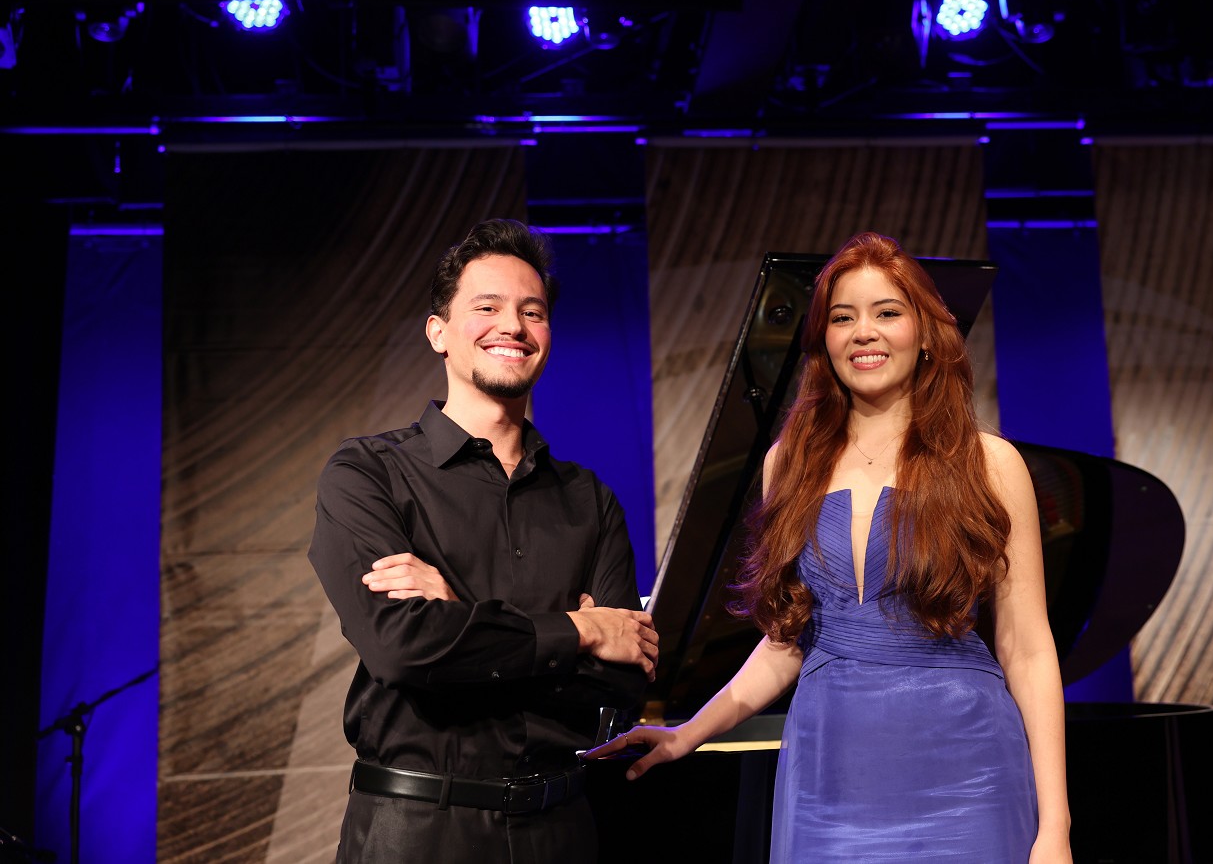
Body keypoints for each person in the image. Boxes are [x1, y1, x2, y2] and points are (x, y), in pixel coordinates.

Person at [589, 231, 1072, 862]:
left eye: (887, 313)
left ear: (926, 333)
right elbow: (789, 640)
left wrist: (1056, 825)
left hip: (969, 772)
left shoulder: (990, 464)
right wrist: (689, 733)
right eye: (843, 318)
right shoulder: (787, 465)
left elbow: (1027, 648)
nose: (863, 332)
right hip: (828, 777)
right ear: (823, 341)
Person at [307, 218, 659, 864]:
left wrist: (456, 615)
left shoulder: (590, 498)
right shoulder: (366, 473)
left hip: (562, 828)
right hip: (417, 829)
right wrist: (579, 631)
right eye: (487, 307)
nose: (513, 326)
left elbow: (619, 685)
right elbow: (402, 649)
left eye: (533, 312)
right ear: (438, 331)